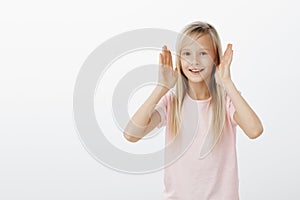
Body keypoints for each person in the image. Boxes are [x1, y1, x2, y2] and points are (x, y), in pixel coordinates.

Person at [123, 21, 263, 200]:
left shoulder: (227, 100)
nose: (194, 61)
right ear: (179, 60)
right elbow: (131, 134)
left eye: (203, 53)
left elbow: (255, 130)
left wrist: (227, 83)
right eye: (187, 53)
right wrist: (161, 88)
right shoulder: (171, 102)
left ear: (216, 60)